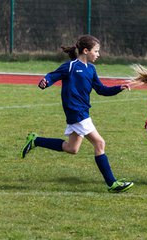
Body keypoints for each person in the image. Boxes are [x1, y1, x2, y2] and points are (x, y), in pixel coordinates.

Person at [20, 35, 134, 193]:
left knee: (72, 148)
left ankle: (36, 141)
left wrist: (119, 88)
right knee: (100, 143)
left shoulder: (91, 70)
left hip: (82, 112)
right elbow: (52, 75)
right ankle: (112, 183)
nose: (98, 54)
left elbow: (101, 90)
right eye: (96, 51)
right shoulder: (70, 66)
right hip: (76, 112)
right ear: (86, 51)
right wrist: (45, 81)